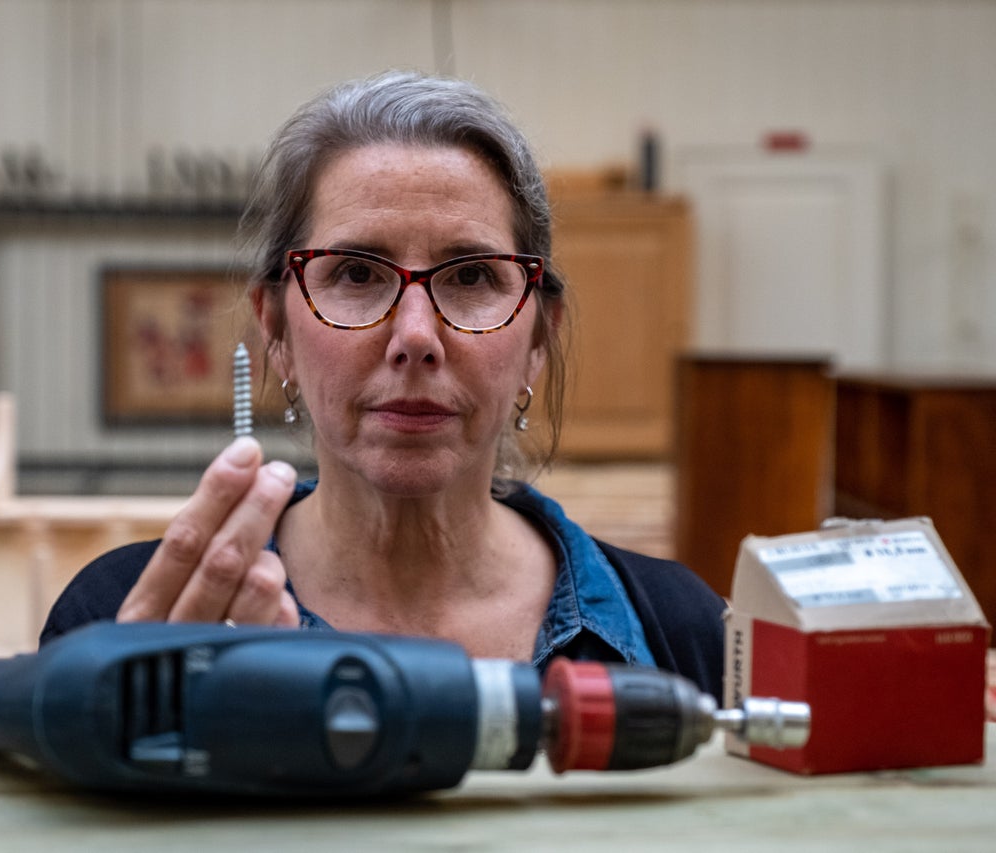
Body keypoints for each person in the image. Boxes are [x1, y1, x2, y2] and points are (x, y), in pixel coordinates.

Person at [41, 70, 725, 699]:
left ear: (538, 340)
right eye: (357, 274)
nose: (417, 337)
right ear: (275, 329)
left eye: (471, 276)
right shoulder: (125, 625)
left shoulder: (683, 637)